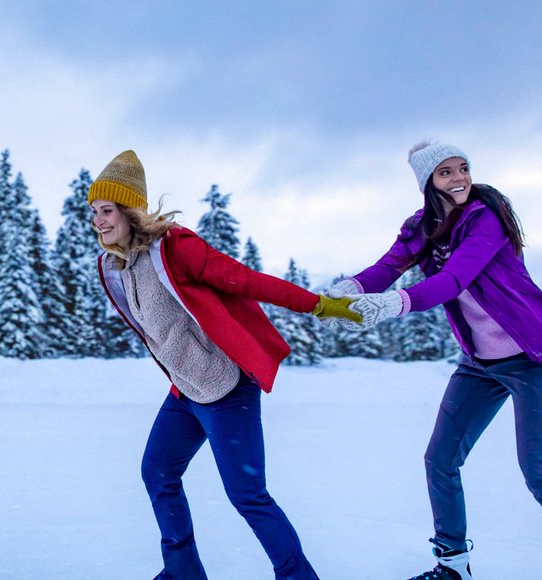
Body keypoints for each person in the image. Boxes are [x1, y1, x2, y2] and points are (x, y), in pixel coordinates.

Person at [332, 142, 542, 580]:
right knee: (439, 459)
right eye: (446, 172)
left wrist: (393, 306)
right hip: (479, 363)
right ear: (428, 182)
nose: (459, 177)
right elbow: (388, 267)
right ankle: (453, 566)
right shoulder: (420, 227)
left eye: (462, 168)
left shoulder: (485, 217)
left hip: (532, 357)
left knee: (541, 474)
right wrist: (350, 288)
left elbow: (454, 278)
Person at [88, 150, 358, 579]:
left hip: (226, 387)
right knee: (157, 473)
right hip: (185, 391)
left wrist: (318, 304)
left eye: (107, 210)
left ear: (130, 211)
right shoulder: (117, 265)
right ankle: (183, 572)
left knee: (248, 495)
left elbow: (246, 280)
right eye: (94, 212)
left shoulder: (174, 249)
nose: (99, 220)